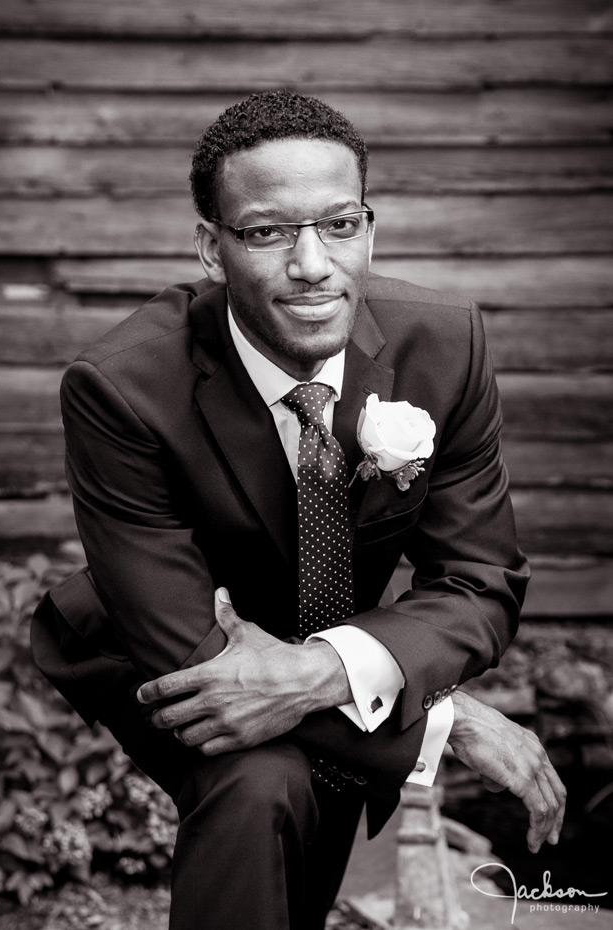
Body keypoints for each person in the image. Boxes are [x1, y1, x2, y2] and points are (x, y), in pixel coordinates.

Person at [32, 90, 565, 930]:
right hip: (168, 651)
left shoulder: (445, 345)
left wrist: (326, 672)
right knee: (257, 784)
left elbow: (478, 578)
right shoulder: (123, 386)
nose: (313, 263)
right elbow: (205, 664)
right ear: (211, 248)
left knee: (299, 870)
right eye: (268, 232)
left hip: (336, 656)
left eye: (339, 225)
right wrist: (444, 725)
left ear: (369, 228)